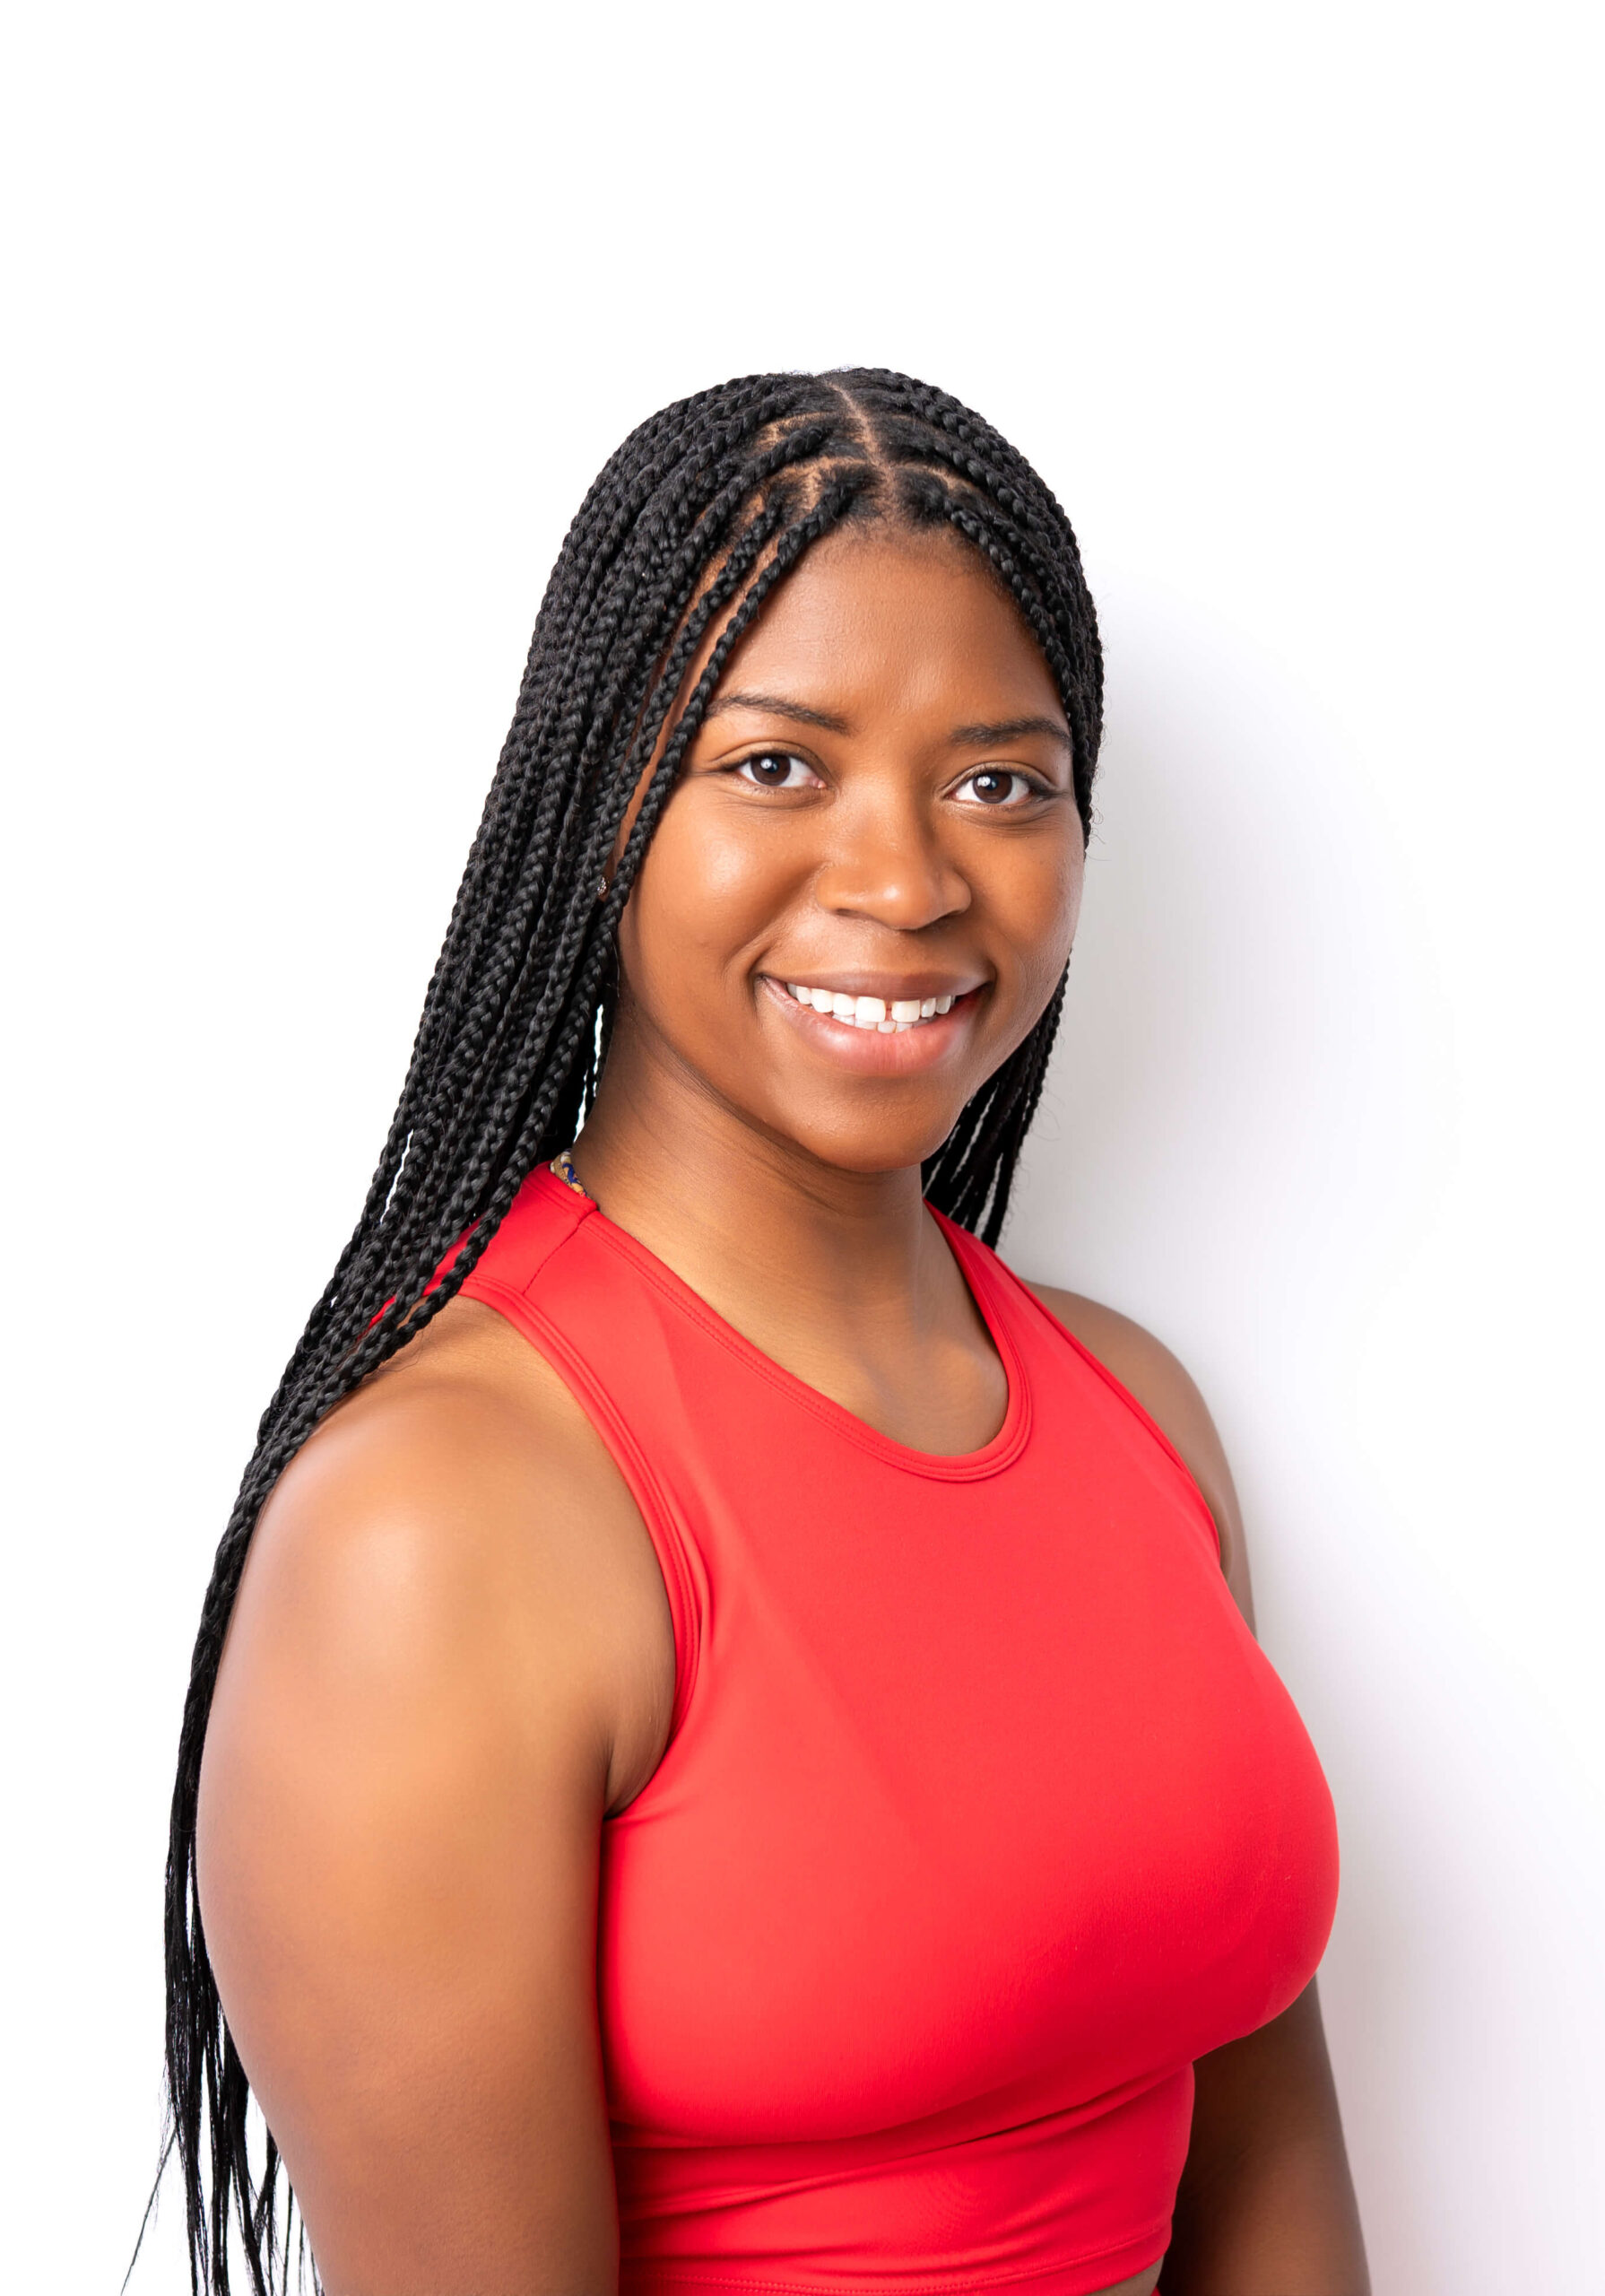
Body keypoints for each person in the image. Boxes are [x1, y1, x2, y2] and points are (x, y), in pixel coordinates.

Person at [167, 370, 1368, 2296]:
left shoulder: (1137, 1413)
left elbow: (1268, 2177)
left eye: (999, 781)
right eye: (777, 767)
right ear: (604, 806)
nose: (906, 881)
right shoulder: (441, 1520)